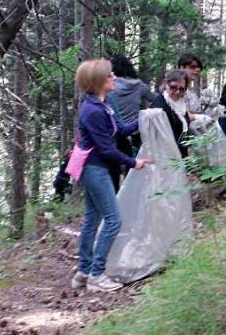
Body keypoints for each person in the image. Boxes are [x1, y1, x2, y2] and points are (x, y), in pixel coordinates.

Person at [71, 59, 152, 293]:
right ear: (98, 81)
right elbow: (107, 148)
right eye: (109, 76)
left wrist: (146, 116)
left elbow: (123, 130)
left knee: (92, 219)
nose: (114, 78)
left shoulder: (102, 104)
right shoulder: (93, 110)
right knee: (113, 220)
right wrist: (133, 162)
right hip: (95, 170)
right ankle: (97, 274)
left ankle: (83, 273)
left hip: (97, 168)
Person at [107, 54, 155, 191]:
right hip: (136, 132)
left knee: (113, 171)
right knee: (134, 168)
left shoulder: (109, 87)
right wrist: (145, 115)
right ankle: (133, 198)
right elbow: (156, 100)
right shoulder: (139, 86)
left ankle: (115, 200)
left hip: (115, 133)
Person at [151, 69, 193, 158]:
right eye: (173, 87)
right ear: (166, 85)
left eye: (181, 89)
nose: (177, 92)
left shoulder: (180, 104)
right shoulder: (160, 105)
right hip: (165, 157)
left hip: (180, 156)